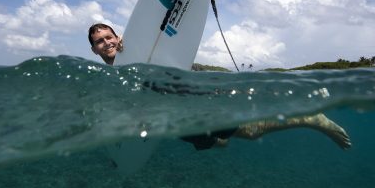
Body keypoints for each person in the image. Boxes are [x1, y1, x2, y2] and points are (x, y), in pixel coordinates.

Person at [88, 23, 351, 150]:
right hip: (177, 118)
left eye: (109, 36)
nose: (106, 43)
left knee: (251, 130)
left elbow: (164, 43)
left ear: (118, 36)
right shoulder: (107, 77)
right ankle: (218, 138)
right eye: (99, 41)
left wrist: (133, 44)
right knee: (217, 141)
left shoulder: (138, 47)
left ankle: (309, 116)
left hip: (194, 95)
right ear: (93, 49)